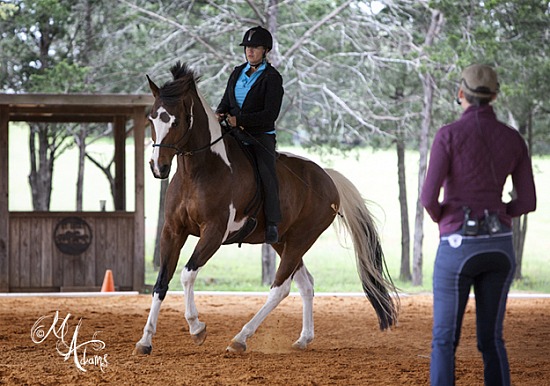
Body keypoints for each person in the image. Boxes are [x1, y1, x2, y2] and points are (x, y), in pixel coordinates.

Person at [420, 64, 537, 386]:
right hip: (499, 247)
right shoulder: (513, 139)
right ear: (495, 96)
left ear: (461, 94)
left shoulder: (448, 135)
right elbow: (528, 202)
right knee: (492, 340)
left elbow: (429, 197)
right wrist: (500, 213)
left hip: (458, 246)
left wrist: (445, 218)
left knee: (445, 341)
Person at [216, 26, 284, 244]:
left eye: (255, 47)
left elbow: (270, 114)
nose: (250, 51)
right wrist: (219, 113)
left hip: (260, 135)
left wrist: (242, 121)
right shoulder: (237, 72)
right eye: (247, 47)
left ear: (265, 50)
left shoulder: (272, 78)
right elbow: (227, 100)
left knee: (266, 172)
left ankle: (272, 222)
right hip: (233, 132)